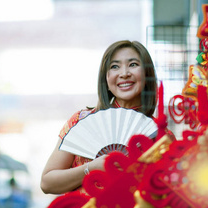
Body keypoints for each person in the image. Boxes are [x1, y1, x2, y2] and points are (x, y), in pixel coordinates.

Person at [40, 40, 157, 195]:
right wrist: (90, 168)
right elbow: (47, 183)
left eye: (133, 64)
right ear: (106, 80)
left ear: (147, 74)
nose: (124, 73)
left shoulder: (159, 134)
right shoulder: (80, 121)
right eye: (115, 66)